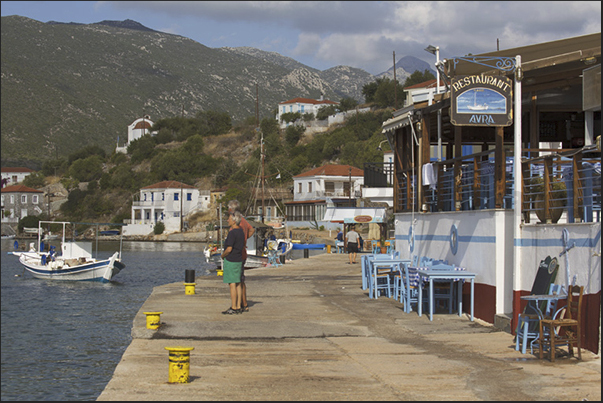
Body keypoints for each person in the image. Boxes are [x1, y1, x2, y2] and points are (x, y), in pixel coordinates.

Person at [227, 200, 254, 313]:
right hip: (242, 252)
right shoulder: (243, 220)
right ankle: (243, 303)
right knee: (240, 280)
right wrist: (244, 239)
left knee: (236, 281)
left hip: (236, 255)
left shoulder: (236, 223)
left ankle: (240, 305)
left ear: (231, 210)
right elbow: (252, 229)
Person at [220, 211, 245, 314]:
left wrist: (222, 255)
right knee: (238, 283)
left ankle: (233, 307)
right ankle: (239, 305)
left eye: (229, 218)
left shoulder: (232, 233)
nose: (227, 220)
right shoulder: (241, 232)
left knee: (232, 284)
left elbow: (229, 248)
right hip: (239, 259)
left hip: (231, 260)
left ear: (234, 221)